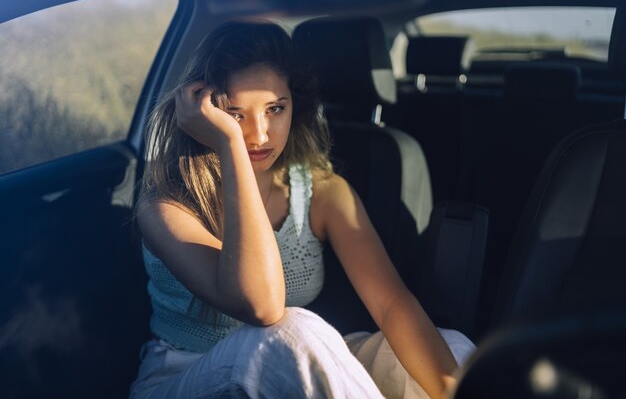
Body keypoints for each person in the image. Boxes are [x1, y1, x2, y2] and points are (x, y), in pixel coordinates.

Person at [130, 21, 475, 399]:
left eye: (275, 108)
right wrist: (229, 146)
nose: (259, 135)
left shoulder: (321, 193)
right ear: (201, 114)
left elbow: (391, 303)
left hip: (286, 366)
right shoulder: (166, 201)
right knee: (289, 331)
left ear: (295, 104)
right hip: (183, 375)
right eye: (235, 113)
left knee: (449, 349)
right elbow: (260, 306)